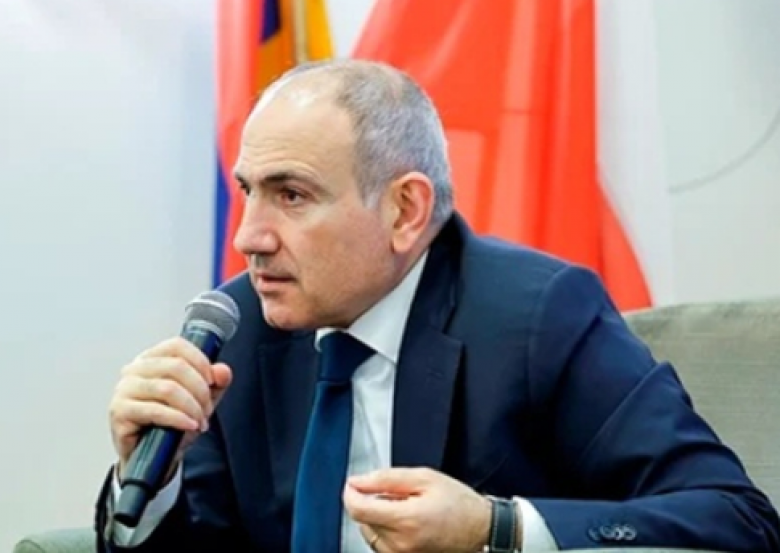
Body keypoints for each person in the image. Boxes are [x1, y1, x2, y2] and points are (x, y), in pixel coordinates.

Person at [95, 59, 780, 553]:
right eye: (249, 191)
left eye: (292, 195)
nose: (249, 237)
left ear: (405, 210)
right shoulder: (239, 327)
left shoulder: (537, 317)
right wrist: (151, 478)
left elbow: (733, 517)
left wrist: (497, 528)